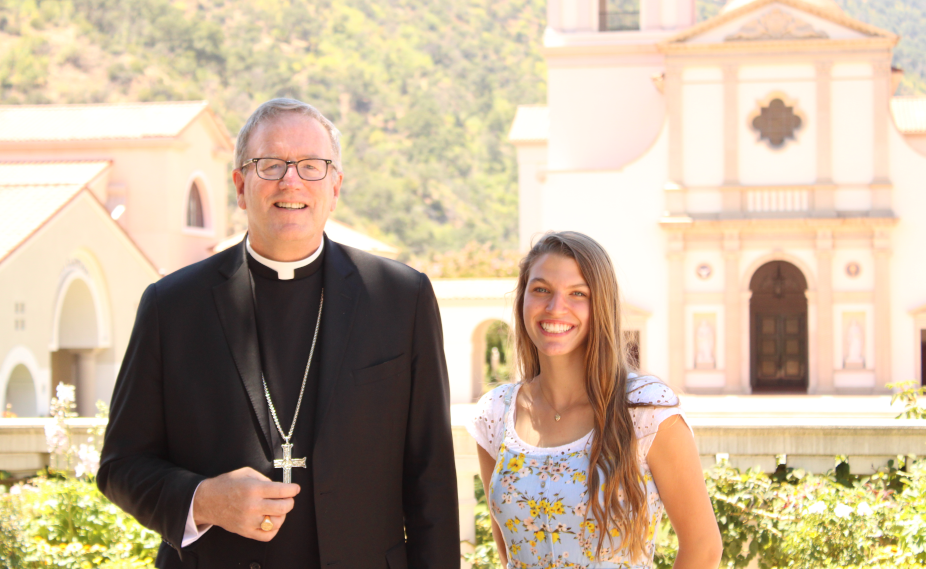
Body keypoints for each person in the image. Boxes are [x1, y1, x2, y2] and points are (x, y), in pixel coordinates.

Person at [97, 98, 460, 569]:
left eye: (312, 166)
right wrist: (204, 500)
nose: (291, 180)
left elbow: (431, 476)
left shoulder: (400, 297)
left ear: (336, 186)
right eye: (271, 165)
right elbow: (120, 465)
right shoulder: (171, 306)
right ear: (240, 186)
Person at [467, 232, 722, 568]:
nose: (556, 307)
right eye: (541, 289)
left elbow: (703, 547)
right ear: (522, 300)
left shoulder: (645, 409)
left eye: (578, 294)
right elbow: (509, 552)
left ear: (601, 305)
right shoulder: (496, 413)